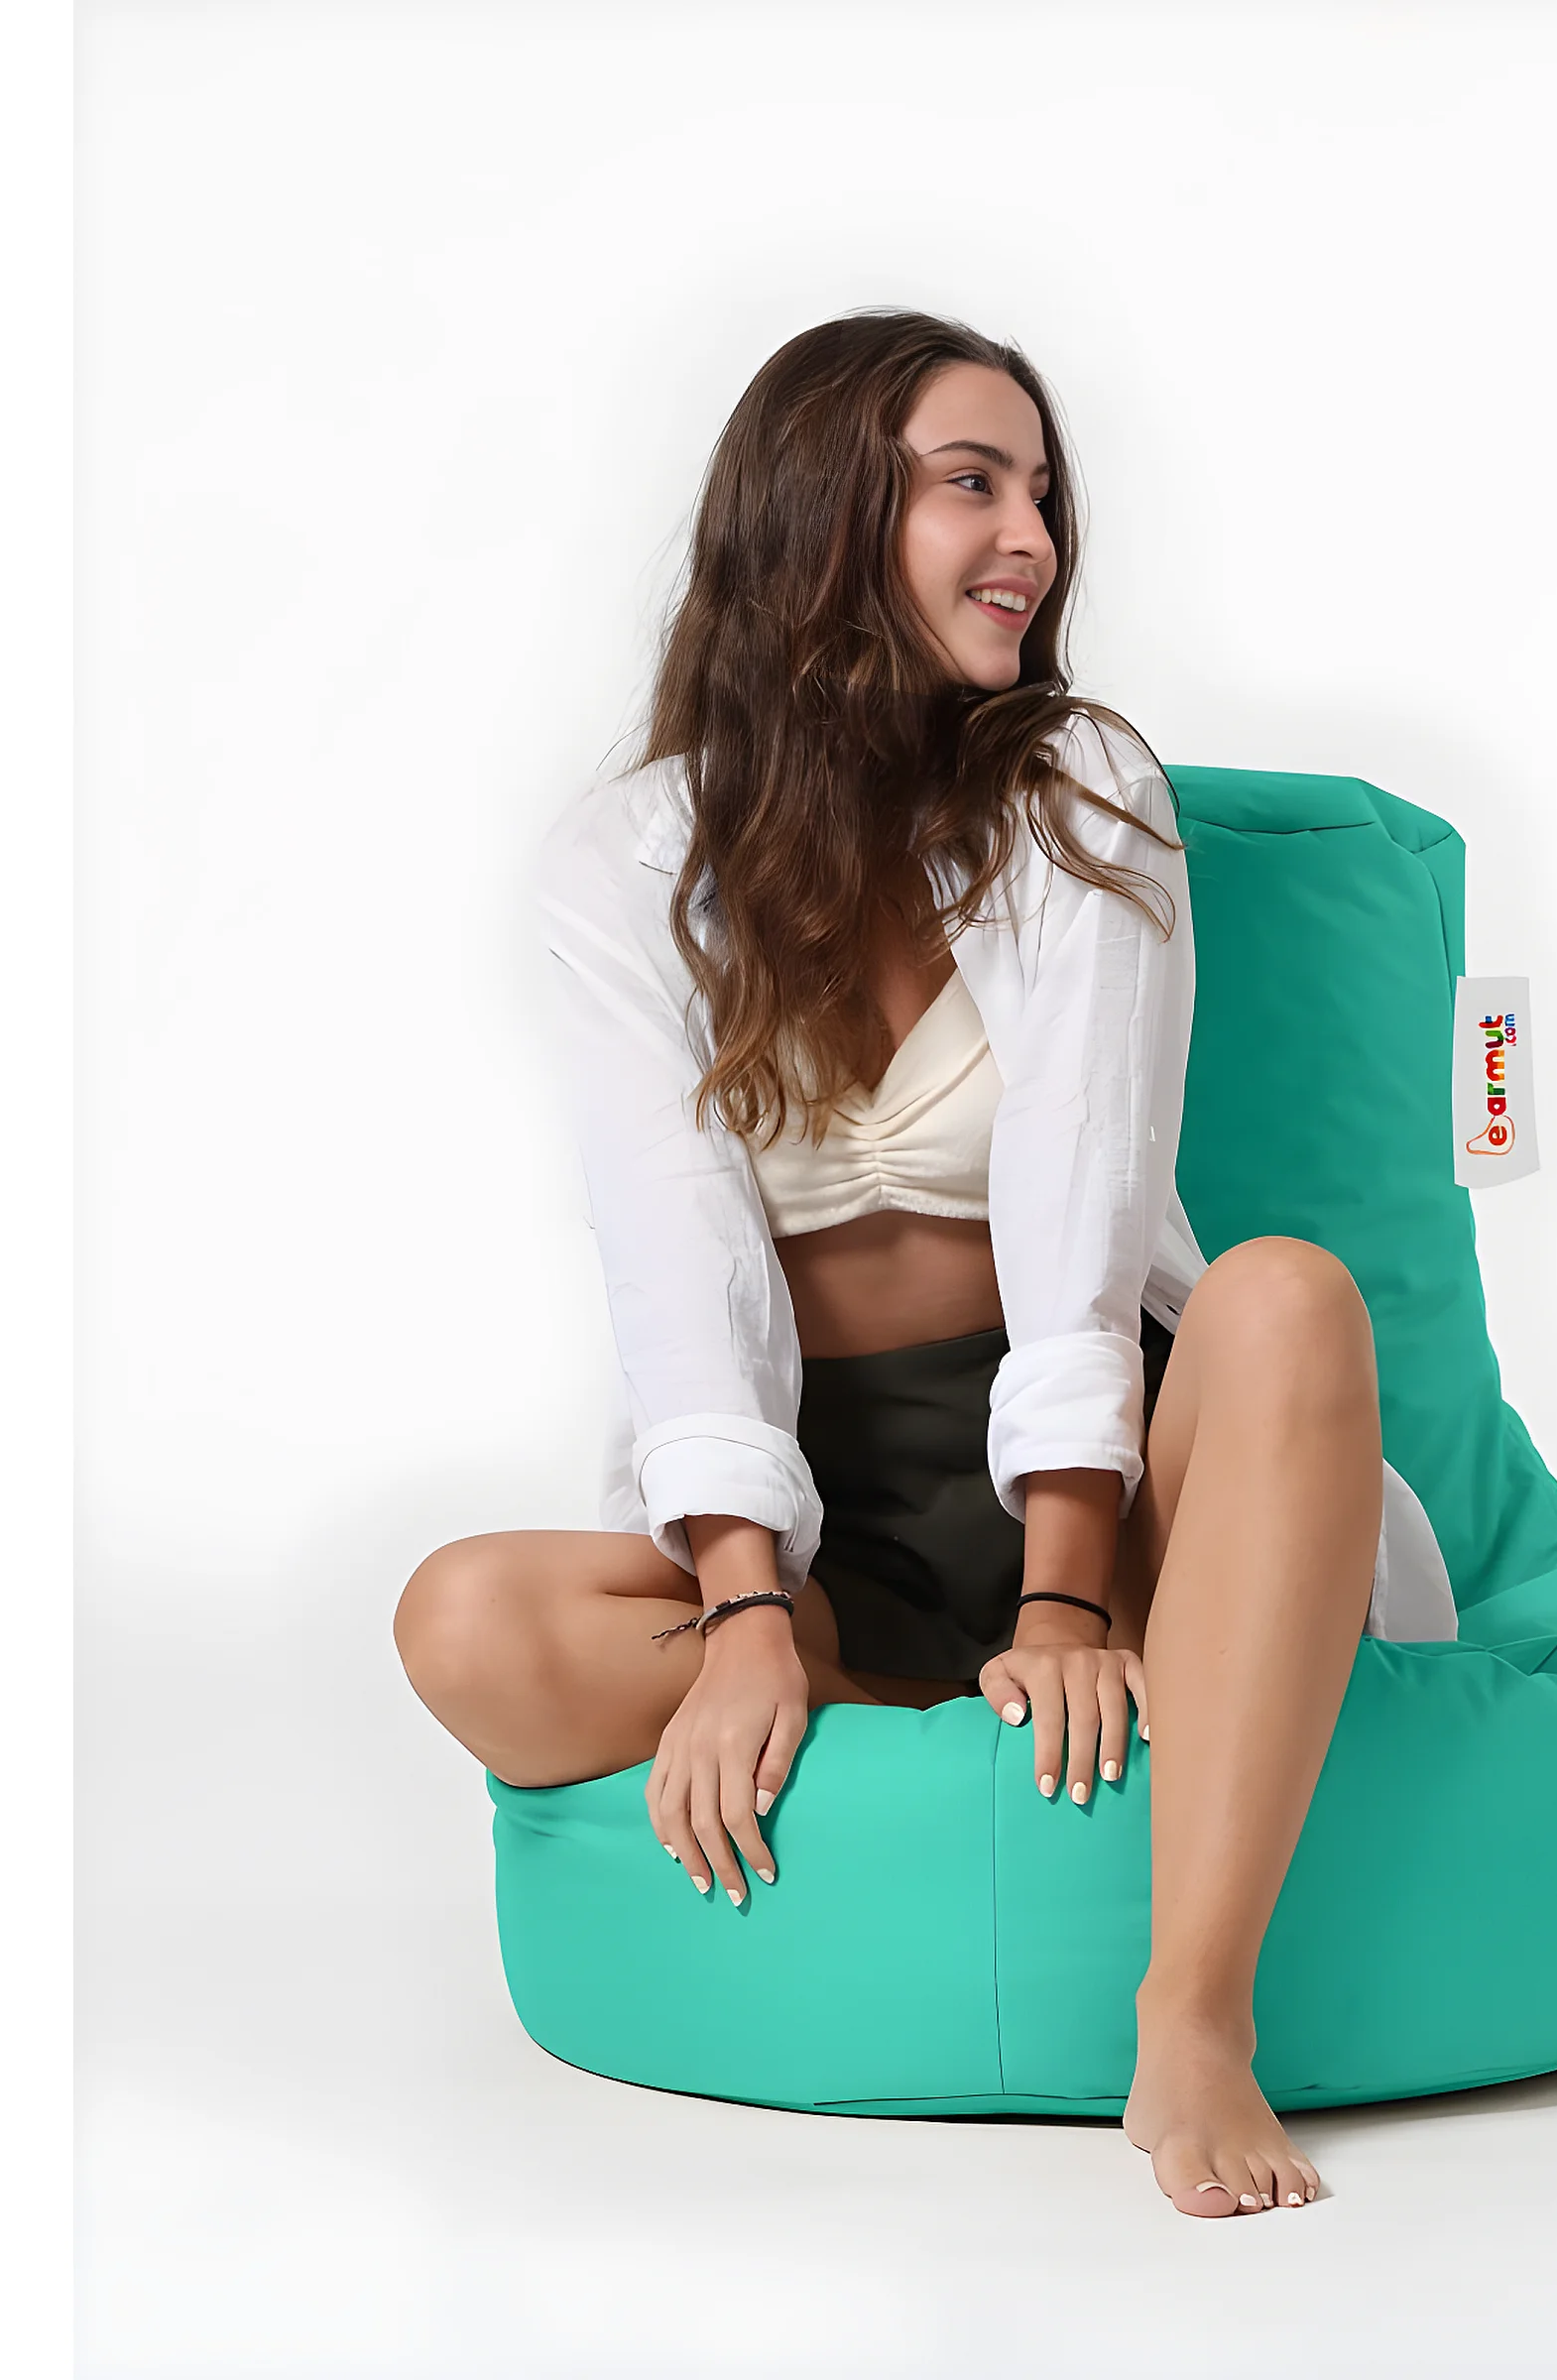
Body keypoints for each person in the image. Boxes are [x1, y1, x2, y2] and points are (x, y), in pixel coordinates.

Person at [396, 307, 1398, 2219]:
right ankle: (910, 1735)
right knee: (465, 1620)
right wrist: (744, 1616)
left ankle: (1192, 2006)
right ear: (820, 520)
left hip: (1113, 1482)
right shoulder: (627, 860)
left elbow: (1086, 1210)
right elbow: (672, 1258)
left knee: (1288, 1295)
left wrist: (1067, 1598)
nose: (1033, 539)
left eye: (1043, 494)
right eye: (971, 485)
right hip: (821, 1521)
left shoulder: (1080, 784)